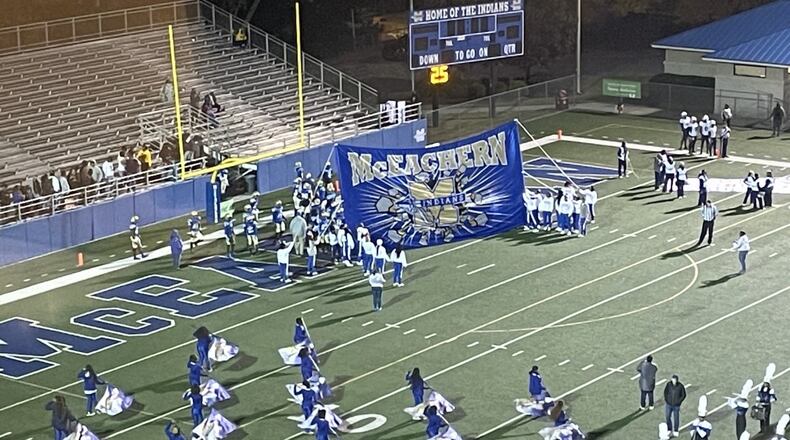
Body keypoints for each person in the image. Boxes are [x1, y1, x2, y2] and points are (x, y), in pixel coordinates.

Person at [756, 368, 777, 433]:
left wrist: (770, 400)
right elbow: (759, 395)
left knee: (764, 417)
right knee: (764, 418)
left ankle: (764, 429)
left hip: (764, 405)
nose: (765, 384)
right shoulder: (765, 389)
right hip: (764, 405)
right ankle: (764, 429)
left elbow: (773, 397)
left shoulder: (766, 389)